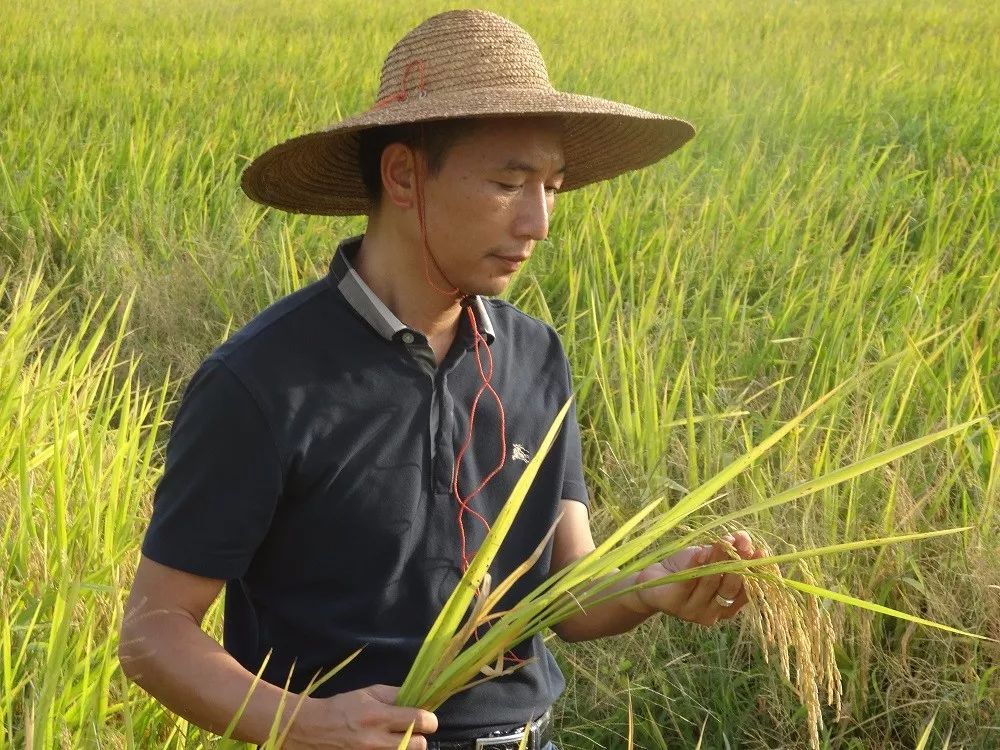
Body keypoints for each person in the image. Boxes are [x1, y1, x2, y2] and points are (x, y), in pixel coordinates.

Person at [119, 9, 764, 750]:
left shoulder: (533, 354)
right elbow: (154, 629)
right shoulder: (264, 382)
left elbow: (565, 588)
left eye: (553, 186)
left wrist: (656, 585)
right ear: (402, 174)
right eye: (508, 182)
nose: (539, 222)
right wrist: (304, 724)